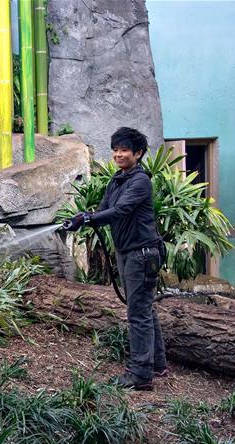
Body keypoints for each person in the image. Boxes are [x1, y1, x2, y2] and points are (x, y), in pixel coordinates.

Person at [62, 127, 167, 391]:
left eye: (124, 150)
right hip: (128, 253)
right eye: (116, 150)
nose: (119, 155)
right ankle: (157, 363)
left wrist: (89, 218)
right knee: (144, 307)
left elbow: (120, 211)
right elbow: (104, 210)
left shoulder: (140, 181)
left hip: (142, 254)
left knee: (138, 313)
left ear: (138, 153)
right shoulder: (117, 180)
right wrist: (81, 218)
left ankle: (141, 375)